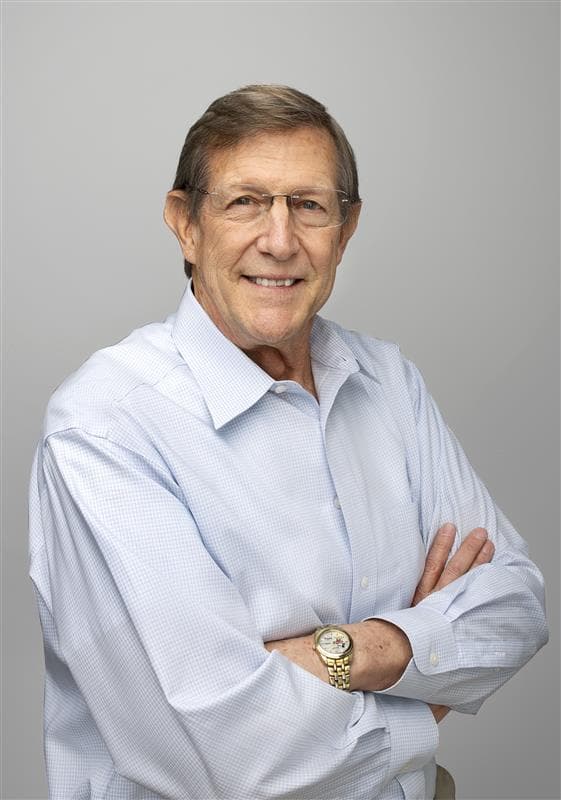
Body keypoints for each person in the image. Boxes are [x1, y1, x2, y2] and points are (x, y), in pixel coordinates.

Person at [29, 85, 548, 800]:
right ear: (185, 224)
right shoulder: (106, 428)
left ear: (347, 228)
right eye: (245, 202)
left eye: (308, 205)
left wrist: (351, 652)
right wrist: (424, 684)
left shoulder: (388, 382)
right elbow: (231, 760)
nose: (279, 241)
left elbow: (515, 607)